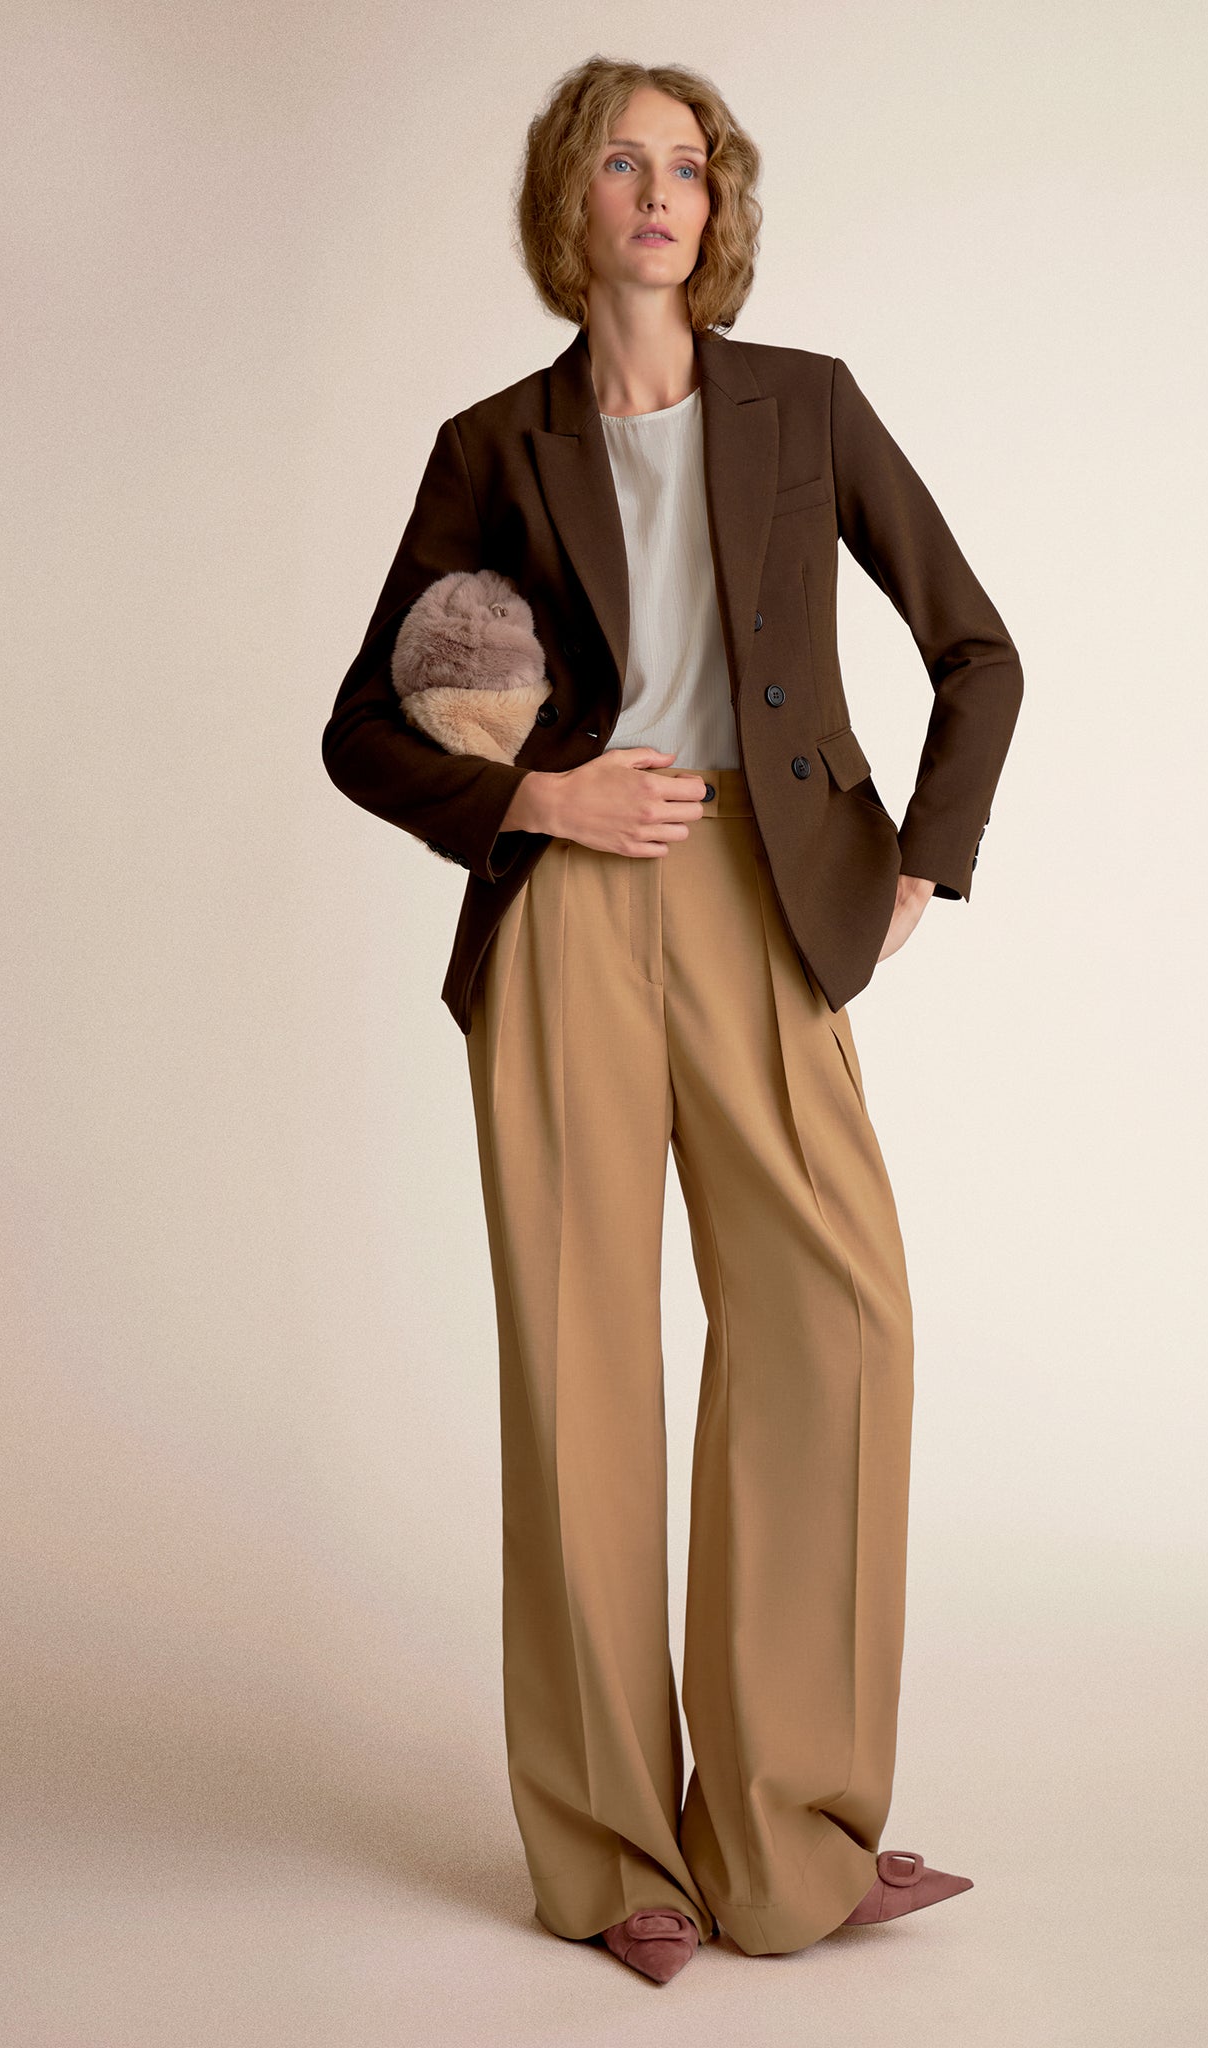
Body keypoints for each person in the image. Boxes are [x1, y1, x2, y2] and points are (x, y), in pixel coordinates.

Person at [322, 55, 1022, 1983]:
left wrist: (918, 863)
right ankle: (611, 1855)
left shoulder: (807, 407)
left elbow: (979, 645)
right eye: (624, 162)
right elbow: (364, 724)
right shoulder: (495, 442)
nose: (661, 191)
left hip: (765, 906)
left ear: (721, 209)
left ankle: (790, 1833)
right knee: (578, 1362)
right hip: (561, 915)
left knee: (837, 1316)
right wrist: (539, 797)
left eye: (689, 165)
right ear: (574, 201)